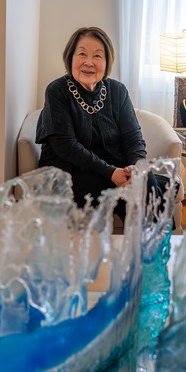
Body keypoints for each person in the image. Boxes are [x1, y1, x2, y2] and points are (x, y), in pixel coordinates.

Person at [36, 26, 171, 225]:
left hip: (115, 164)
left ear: (107, 62)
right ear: (70, 57)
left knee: (145, 179)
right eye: (82, 54)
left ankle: (147, 241)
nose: (88, 62)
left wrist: (136, 166)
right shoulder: (57, 90)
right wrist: (112, 173)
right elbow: (66, 146)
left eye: (97, 56)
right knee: (105, 185)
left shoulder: (118, 90)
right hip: (70, 168)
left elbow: (133, 137)